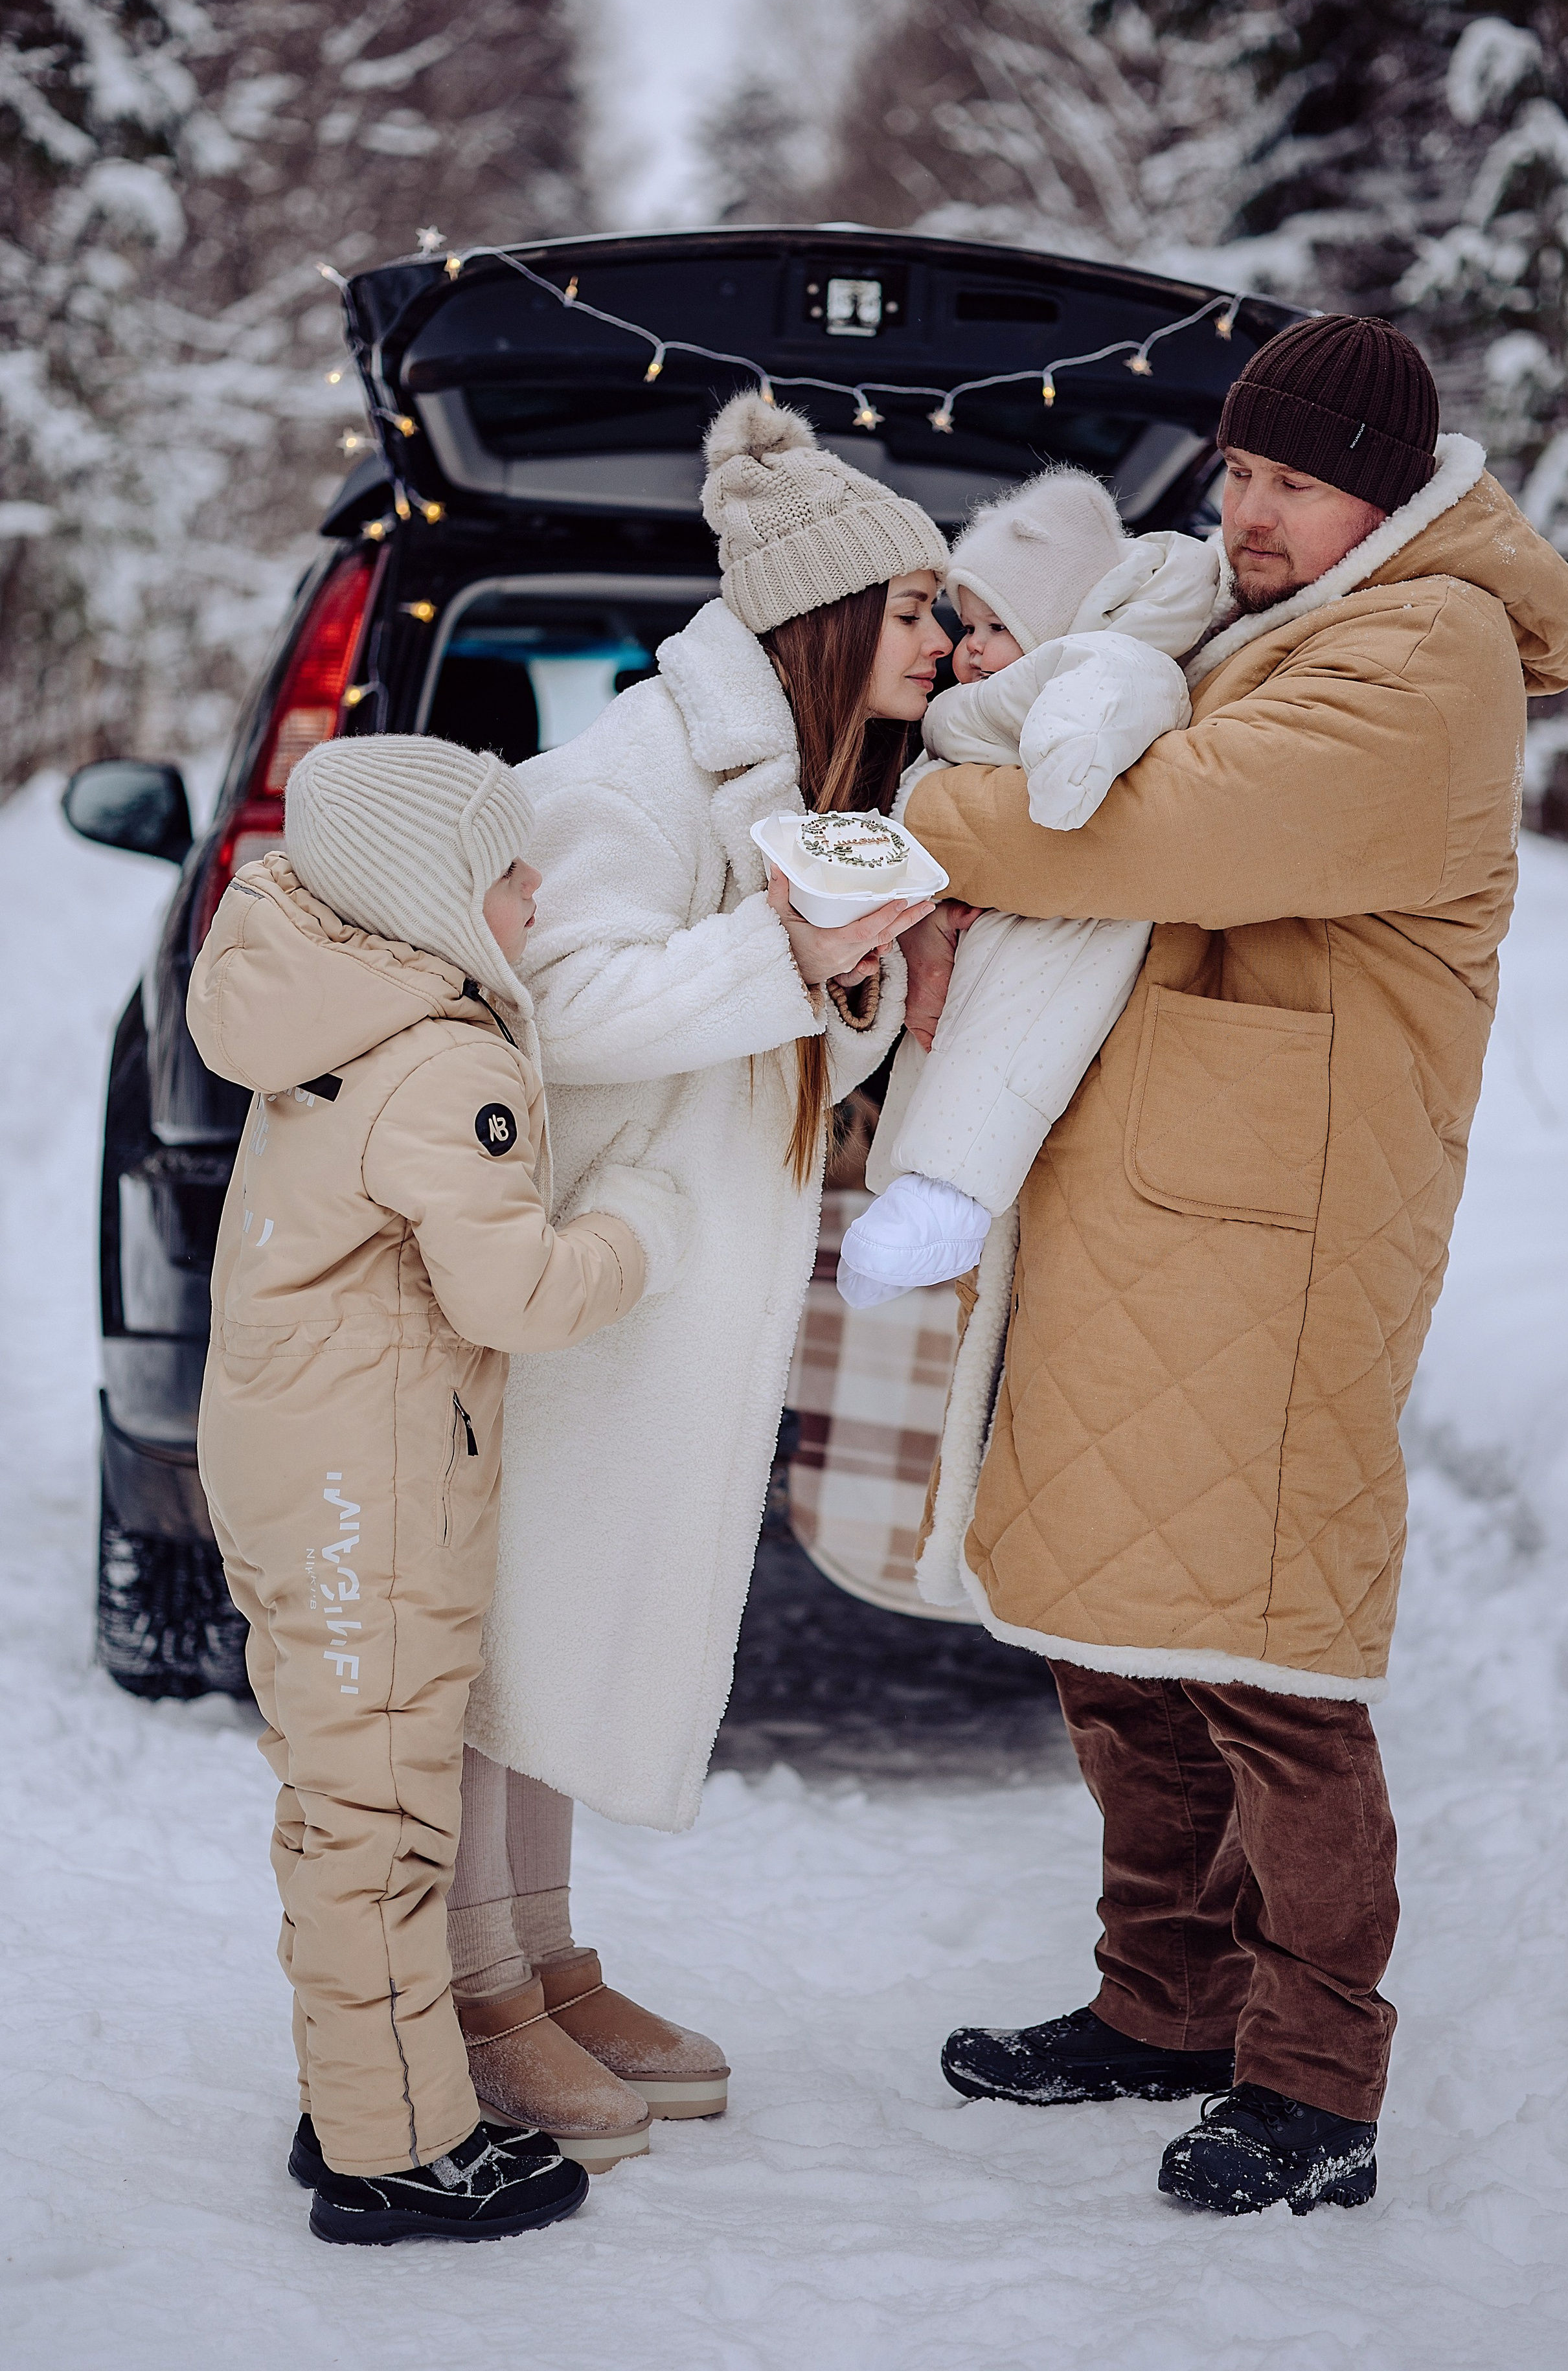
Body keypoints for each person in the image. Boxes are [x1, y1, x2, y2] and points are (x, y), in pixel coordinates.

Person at [902, 316, 1568, 2216]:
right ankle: (1165, 2001)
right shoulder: (1249, 607)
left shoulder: (1428, 648)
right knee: (1109, 1625)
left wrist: (914, 823)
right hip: (1151, 1194)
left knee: (1267, 1655)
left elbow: (1150, 825)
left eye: (1289, 480)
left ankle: (1313, 2079)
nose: (1247, 508)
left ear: (1384, 485)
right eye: (1239, 472)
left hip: (1284, 1218)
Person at [445, 390, 948, 2149]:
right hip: (595, 1265)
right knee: (515, 1621)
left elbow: (782, 1020)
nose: (944, 642)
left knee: (583, 1618)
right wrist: (786, 946)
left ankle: (542, 1952)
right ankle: (469, 1983)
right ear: (822, 623)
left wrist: (863, 982)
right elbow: (561, 1010)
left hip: (680, 1285)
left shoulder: (804, 785)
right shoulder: (624, 776)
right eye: (914, 611)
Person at [188, 734, 688, 2245]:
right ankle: (398, 2148)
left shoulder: (319, 1003)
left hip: (294, 1460)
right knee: (382, 1816)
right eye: (509, 868)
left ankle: (362, 2087)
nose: (537, 893)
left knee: (341, 1793)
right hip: (377, 1495)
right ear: (435, 892)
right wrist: (638, 1222)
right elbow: (518, 1295)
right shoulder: (448, 1059)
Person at [838, 468, 1222, 1306]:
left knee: (1013, 1027)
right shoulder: (993, 699)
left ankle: (948, 1194)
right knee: (951, 1044)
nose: (966, 648)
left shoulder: (1102, 656)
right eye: (964, 624)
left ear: (1058, 619)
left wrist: (1061, 776)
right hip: (1000, 899)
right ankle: (914, 1183)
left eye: (994, 626)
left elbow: (1103, 703)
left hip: (1066, 906)